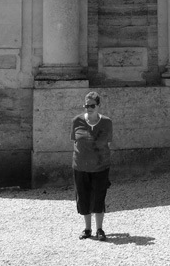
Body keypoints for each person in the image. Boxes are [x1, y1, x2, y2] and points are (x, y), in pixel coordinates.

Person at [72, 91, 113, 241]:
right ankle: (87, 228)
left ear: (98, 106)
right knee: (83, 196)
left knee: (99, 196)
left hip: (100, 166)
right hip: (80, 166)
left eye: (92, 105)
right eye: (86, 105)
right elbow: (75, 141)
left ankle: (99, 229)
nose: (88, 108)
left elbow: (108, 143)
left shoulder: (106, 122)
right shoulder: (77, 121)